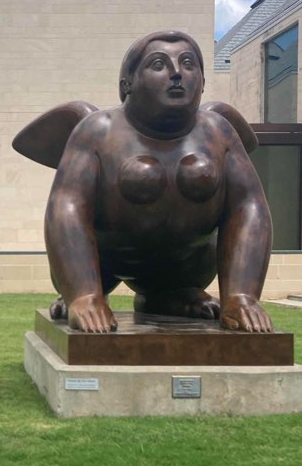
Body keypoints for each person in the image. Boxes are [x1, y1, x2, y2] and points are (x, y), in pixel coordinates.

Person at [15, 30, 273, 334]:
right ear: (127, 84)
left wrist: (241, 295)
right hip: (105, 262)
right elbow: (66, 208)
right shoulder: (97, 131)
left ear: (203, 81)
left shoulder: (219, 131)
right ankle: (85, 297)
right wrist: (83, 292)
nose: (177, 73)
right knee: (85, 285)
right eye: (158, 64)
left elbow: (249, 206)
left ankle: (170, 296)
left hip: (186, 266)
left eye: (189, 64)